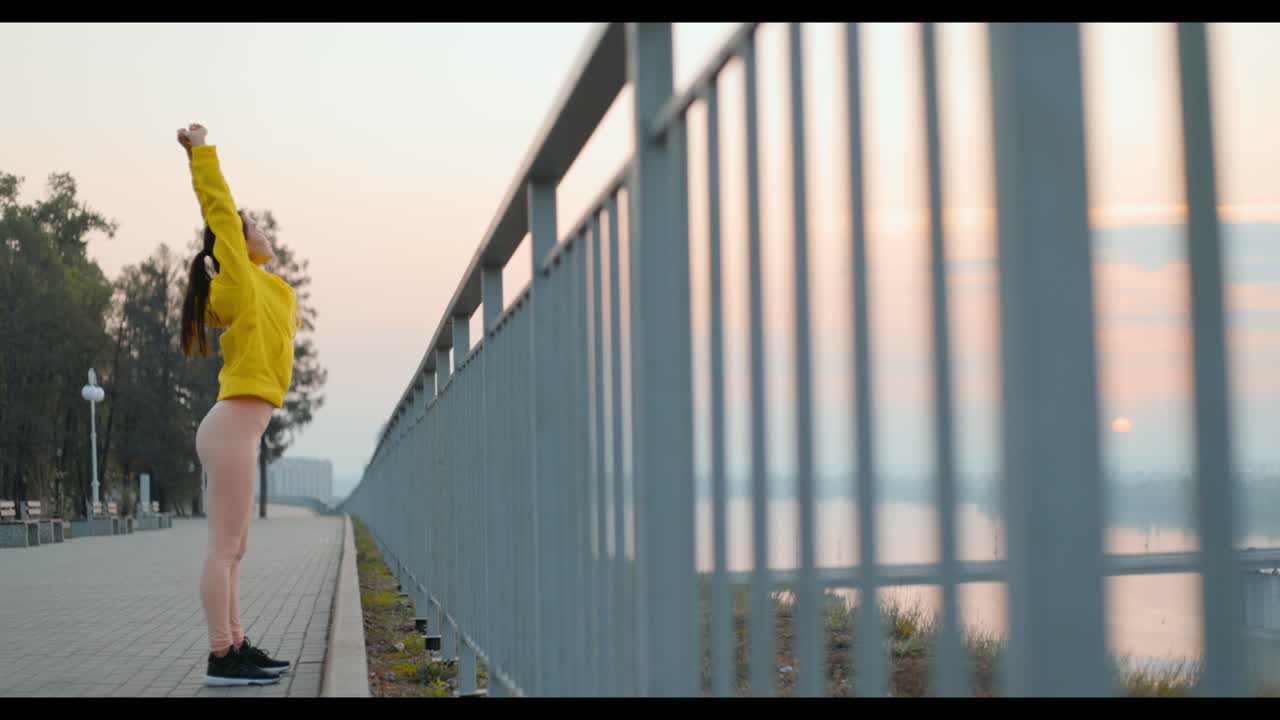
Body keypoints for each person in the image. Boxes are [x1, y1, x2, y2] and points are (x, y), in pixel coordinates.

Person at [177, 123, 298, 687]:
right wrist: (201, 152)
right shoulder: (241, 279)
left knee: (236, 547)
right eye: (255, 227)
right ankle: (221, 655)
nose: (263, 230)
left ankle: (237, 643)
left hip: (241, 428)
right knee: (223, 546)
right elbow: (221, 209)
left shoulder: (261, 288)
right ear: (238, 241)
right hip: (230, 428)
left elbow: (239, 308)